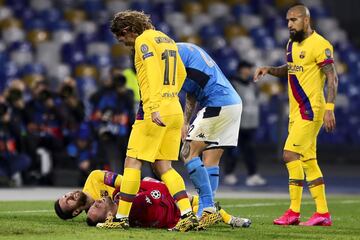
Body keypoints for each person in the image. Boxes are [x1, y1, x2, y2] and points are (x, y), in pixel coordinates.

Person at [107, 10, 197, 231]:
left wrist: (155, 106)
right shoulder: (166, 39)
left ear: (128, 29)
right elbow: (182, 74)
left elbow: (153, 71)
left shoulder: (143, 41)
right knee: (163, 166)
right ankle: (187, 215)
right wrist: (169, 96)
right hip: (173, 107)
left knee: (132, 162)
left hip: (153, 110)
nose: (121, 41)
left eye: (121, 36)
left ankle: (120, 219)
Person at [253, 4, 338, 226]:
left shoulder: (320, 45)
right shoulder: (291, 44)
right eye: (288, 21)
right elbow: (290, 68)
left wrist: (330, 108)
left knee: (289, 155)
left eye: (294, 20)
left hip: (311, 110)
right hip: (296, 111)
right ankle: (323, 213)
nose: (290, 24)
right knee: (309, 161)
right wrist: (269, 69)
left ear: (306, 20)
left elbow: (332, 78)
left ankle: (293, 211)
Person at [177, 42, 242, 228]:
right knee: (210, 160)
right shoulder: (186, 51)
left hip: (217, 102)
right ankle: (206, 212)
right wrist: (185, 121)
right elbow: (192, 90)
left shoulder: (172, 55)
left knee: (188, 153)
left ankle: (208, 208)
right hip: (232, 102)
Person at [54, 170, 251, 229]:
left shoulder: (95, 177)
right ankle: (212, 216)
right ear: (77, 212)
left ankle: (227, 218)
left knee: (192, 200)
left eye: (65, 195)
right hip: (144, 202)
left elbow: (128, 181)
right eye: (68, 201)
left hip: (137, 189)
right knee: (188, 204)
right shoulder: (96, 215)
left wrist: (125, 194)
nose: (70, 195)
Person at [224, 61, 267, 187]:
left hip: (250, 123)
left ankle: (252, 174)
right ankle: (229, 173)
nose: (248, 71)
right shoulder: (234, 84)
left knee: (250, 150)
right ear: (241, 69)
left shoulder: (252, 85)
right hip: (237, 122)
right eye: (246, 68)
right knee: (232, 149)